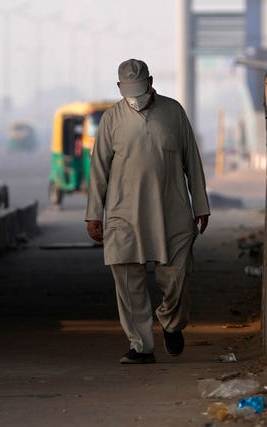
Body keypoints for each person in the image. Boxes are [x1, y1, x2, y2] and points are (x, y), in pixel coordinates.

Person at [85, 58, 211, 364]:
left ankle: (171, 321)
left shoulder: (173, 112)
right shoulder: (111, 119)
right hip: (124, 212)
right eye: (129, 90)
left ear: (151, 82)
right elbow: (99, 169)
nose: (136, 95)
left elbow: (191, 160)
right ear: (119, 88)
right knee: (128, 279)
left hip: (172, 209)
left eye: (140, 89)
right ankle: (140, 345)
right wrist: (94, 213)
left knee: (177, 275)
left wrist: (201, 205)